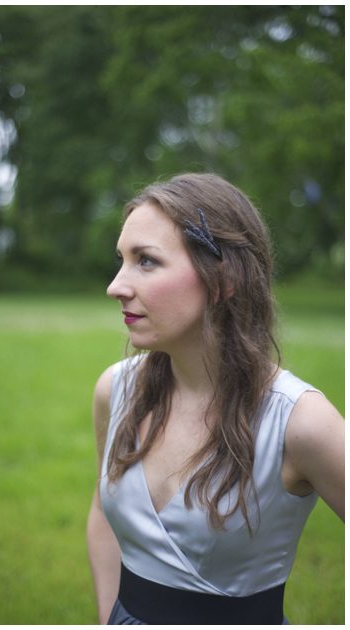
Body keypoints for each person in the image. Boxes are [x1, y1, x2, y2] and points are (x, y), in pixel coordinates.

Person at [85, 173, 344, 624]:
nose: (116, 285)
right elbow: (102, 519)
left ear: (223, 278)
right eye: (122, 260)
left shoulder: (300, 423)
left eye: (145, 261)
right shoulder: (116, 390)